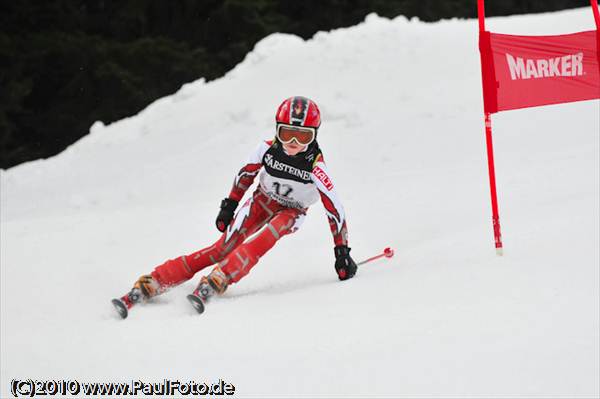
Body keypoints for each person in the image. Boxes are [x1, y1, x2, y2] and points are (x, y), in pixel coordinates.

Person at [114, 96, 357, 317]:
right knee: (220, 249)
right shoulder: (266, 149)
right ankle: (155, 280)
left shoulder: (315, 166)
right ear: (276, 131)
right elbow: (245, 174)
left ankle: (221, 277)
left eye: (303, 136)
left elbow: (334, 209)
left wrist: (341, 252)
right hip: (262, 201)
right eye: (286, 134)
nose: (293, 143)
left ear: (315, 135)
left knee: (265, 238)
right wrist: (229, 204)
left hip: (292, 211)